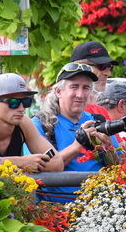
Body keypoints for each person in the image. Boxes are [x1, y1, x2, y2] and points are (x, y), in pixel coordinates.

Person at [33, 63, 119, 201]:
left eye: (86, 88)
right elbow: (36, 167)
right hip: (57, 209)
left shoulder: (98, 120)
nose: (80, 94)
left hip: (100, 205)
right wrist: (78, 146)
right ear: (58, 92)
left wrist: (108, 149)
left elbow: (119, 165)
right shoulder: (41, 124)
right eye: (74, 87)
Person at [70, 41, 119, 118]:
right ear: (79, 68)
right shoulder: (60, 108)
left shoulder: (101, 108)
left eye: (110, 67)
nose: (108, 73)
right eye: (102, 66)